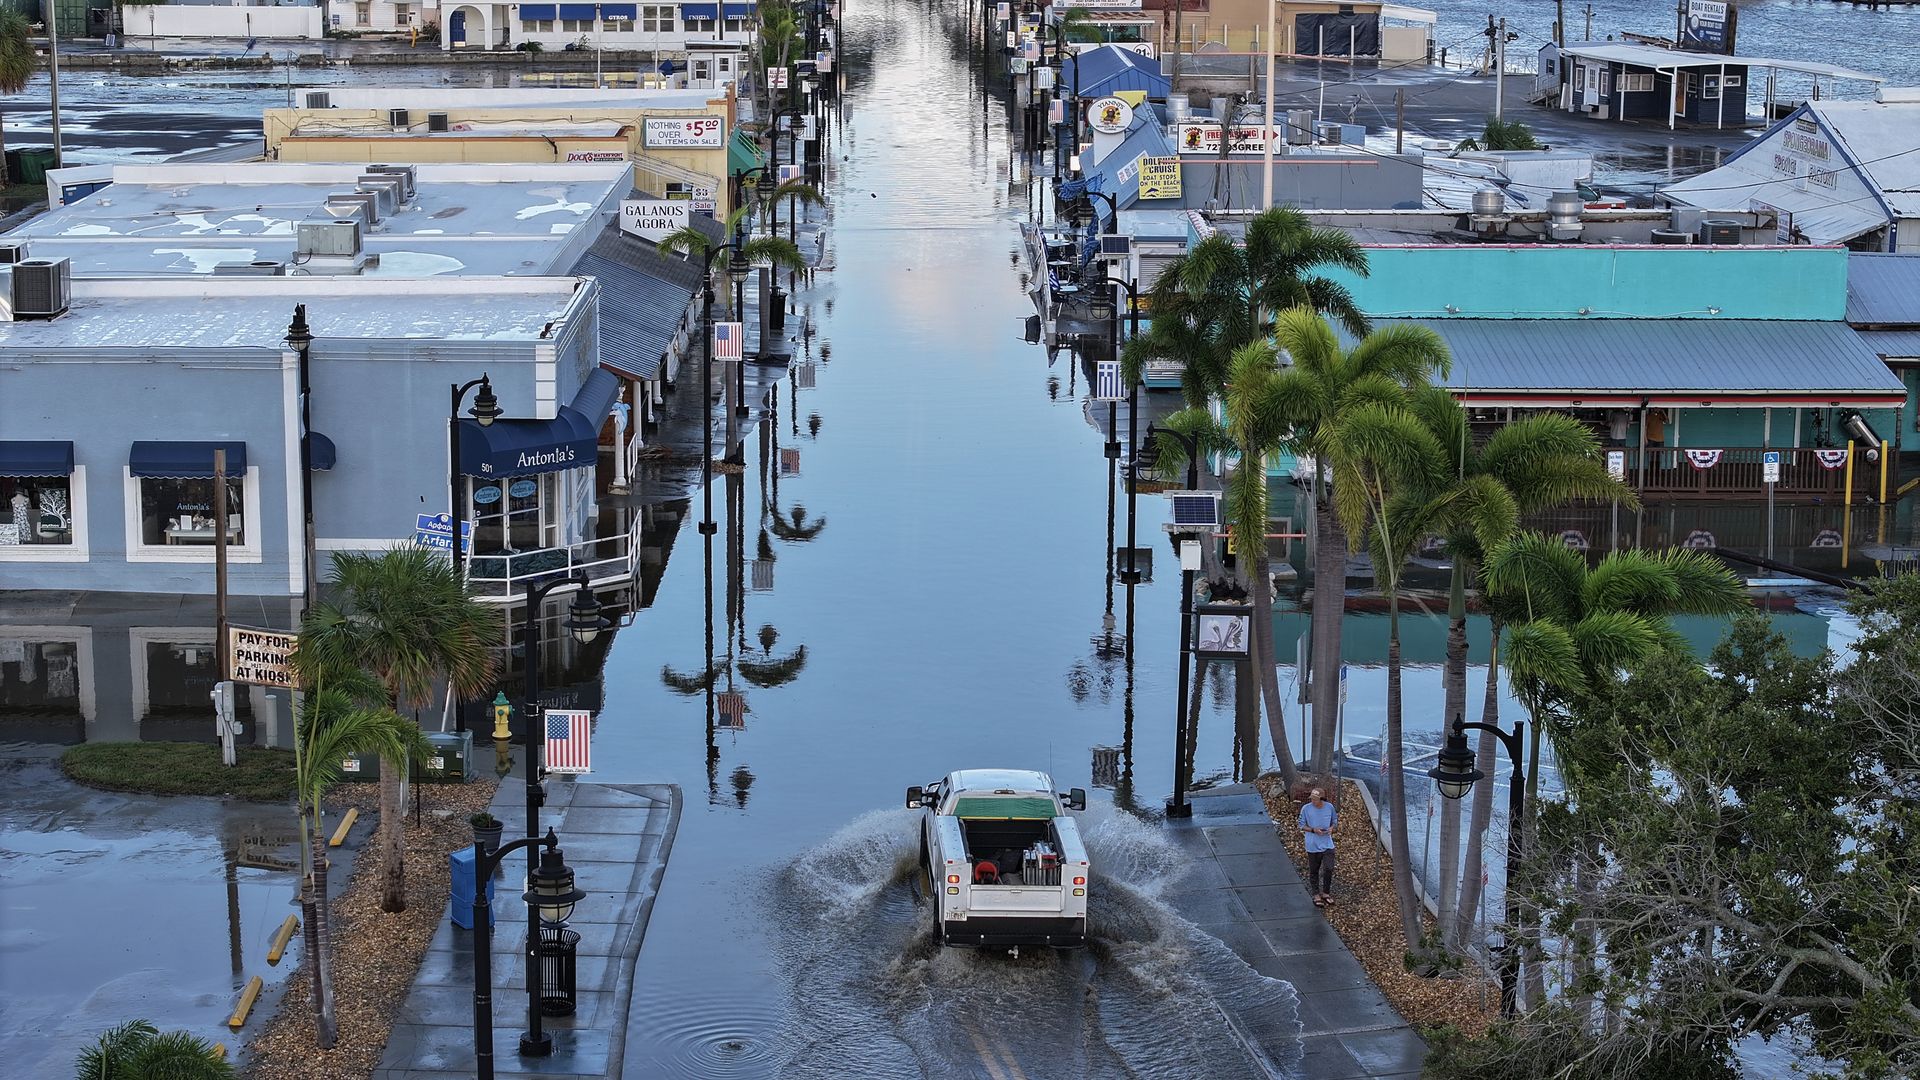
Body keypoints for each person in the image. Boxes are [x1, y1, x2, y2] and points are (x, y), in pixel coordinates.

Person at [1298, 787, 1337, 907]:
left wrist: (1332, 828)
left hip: (1327, 843)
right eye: (1312, 799)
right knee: (1314, 870)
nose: (1313, 801)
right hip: (1312, 844)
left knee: (1329, 868)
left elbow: (1334, 821)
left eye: (1315, 799)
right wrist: (1313, 830)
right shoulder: (1306, 809)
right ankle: (1316, 894)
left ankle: (1326, 892)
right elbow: (1301, 825)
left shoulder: (1329, 807)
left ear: (1321, 799)